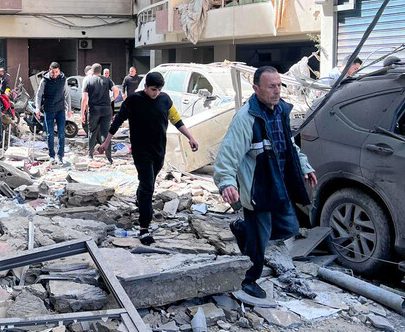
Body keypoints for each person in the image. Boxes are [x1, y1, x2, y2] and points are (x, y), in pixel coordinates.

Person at [213, 66, 317, 299]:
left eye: (279, 85)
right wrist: (227, 183)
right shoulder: (246, 118)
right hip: (257, 187)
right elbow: (227, 155)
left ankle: (243, 230)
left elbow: (290, 146)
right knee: (259, 240)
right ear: (256, 88)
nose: (277, 90)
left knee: (288, 227)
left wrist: (304, 166)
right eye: (271, 86)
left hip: (278, 184)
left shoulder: (280, 111)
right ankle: (248, 279)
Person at [99, 71, 198, 245]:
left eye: (159, 90)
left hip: (158, 150)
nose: (156, 93)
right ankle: (144, 228)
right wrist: (106, 142)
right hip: (141, 151)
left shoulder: (165, 100)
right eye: (153, 89)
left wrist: (190, 137)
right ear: (145, 86)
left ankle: (140, 199)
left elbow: (176, 120)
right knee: (148, 186)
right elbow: (118, 121)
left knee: (148, 183)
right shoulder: (134, 100)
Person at [35, 62, 72, 165]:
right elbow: (39, 95)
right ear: (49, 70)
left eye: (56, 72)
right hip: (49, 110)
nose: (54, 74)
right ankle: (52, 156)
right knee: (50, 134)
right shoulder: (44, 80)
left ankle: (60, 156)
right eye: (53, 72)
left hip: (60, 110)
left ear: (59, 71)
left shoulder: (63, 79)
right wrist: (37, 108)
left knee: (61, 133)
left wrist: (69, 109)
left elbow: (67, 94)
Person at [82, 63, 119, 163]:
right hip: (106, 109)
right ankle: (109, 157)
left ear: (92, 71)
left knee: (92, 132)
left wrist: (82, 113)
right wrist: (112, 99)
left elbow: (84, 98)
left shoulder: (88, 80)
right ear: (101, 71)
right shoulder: (107, 80)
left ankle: (90, 154)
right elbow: (116, 91)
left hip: (94, 110)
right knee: (106, 133)